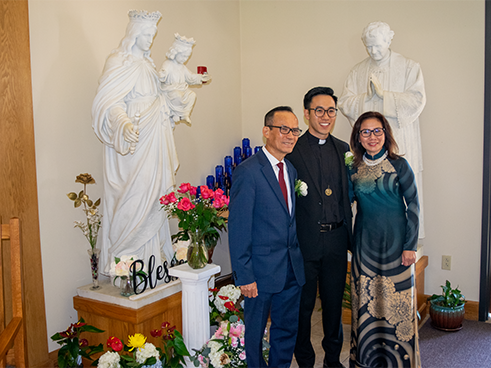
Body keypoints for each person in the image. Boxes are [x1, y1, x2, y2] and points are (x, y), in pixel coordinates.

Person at [92, 10, 178, 275]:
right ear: (135, 33)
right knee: (134, 196)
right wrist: (124, 123)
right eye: (147, 34)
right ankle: (126, 268)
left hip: (154, 138)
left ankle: (152, 265)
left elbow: (162, 98)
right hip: (133, 141)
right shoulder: (118, 61)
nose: (150, 39)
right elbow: (109, 102)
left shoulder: (150, 66)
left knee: (154, 197)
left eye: (153, 34)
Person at [228, 106, 306, 368]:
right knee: (254, 336)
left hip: (290, 270)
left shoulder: (290, 170)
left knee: (285, 333)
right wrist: (244, 275)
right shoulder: (248, 172)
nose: (291, 135)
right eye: (284, 129)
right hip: (259, 274)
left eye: (295, 130)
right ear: (266, 131)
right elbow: (239, 228)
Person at [338, 21, 426, 238]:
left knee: (403, 190)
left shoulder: (409, 67)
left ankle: (408, 238)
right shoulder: (358, 71)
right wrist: (366, 99)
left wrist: (385, 96)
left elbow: (417, 100)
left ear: (389, 40)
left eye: (377, 46)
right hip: (368, 152)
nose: (373, 51)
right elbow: (345, 102)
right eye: (369, 47)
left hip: (399, 141)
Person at [286, 87, 353, 368]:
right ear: (306, 113)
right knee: (302, 308)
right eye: (319, 110)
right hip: (305, 242)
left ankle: (333, 360)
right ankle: (304, 360)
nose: (326, 116)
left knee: (334, 306)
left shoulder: (344, 150)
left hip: (337, 240)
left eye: (331, 111)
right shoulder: (292, 149)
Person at [348, 111, 420, 368]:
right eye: (365, 132)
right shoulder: (353, 169)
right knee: (366, 307)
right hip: (364, 249)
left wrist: (410, 246)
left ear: (386, 133)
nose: (372, 136)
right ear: (358, 137)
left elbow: (413, 205)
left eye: (377, 130)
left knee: (395, 307)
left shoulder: (399, 165)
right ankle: (367, 361)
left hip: (397, 249)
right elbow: (344, 206)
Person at [159, 33, 211, 125]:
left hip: (182, 89)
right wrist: (162, 75)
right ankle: (175, 113)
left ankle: (184, 114)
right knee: (177, 95)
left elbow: (190, 77)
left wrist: (201, 77)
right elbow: (163, 73)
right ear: (175, 52)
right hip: (170, 90)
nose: (185, 59)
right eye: (183, 56)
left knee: (192, 95)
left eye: (187, 57)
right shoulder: (168, 64)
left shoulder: (182, 67)